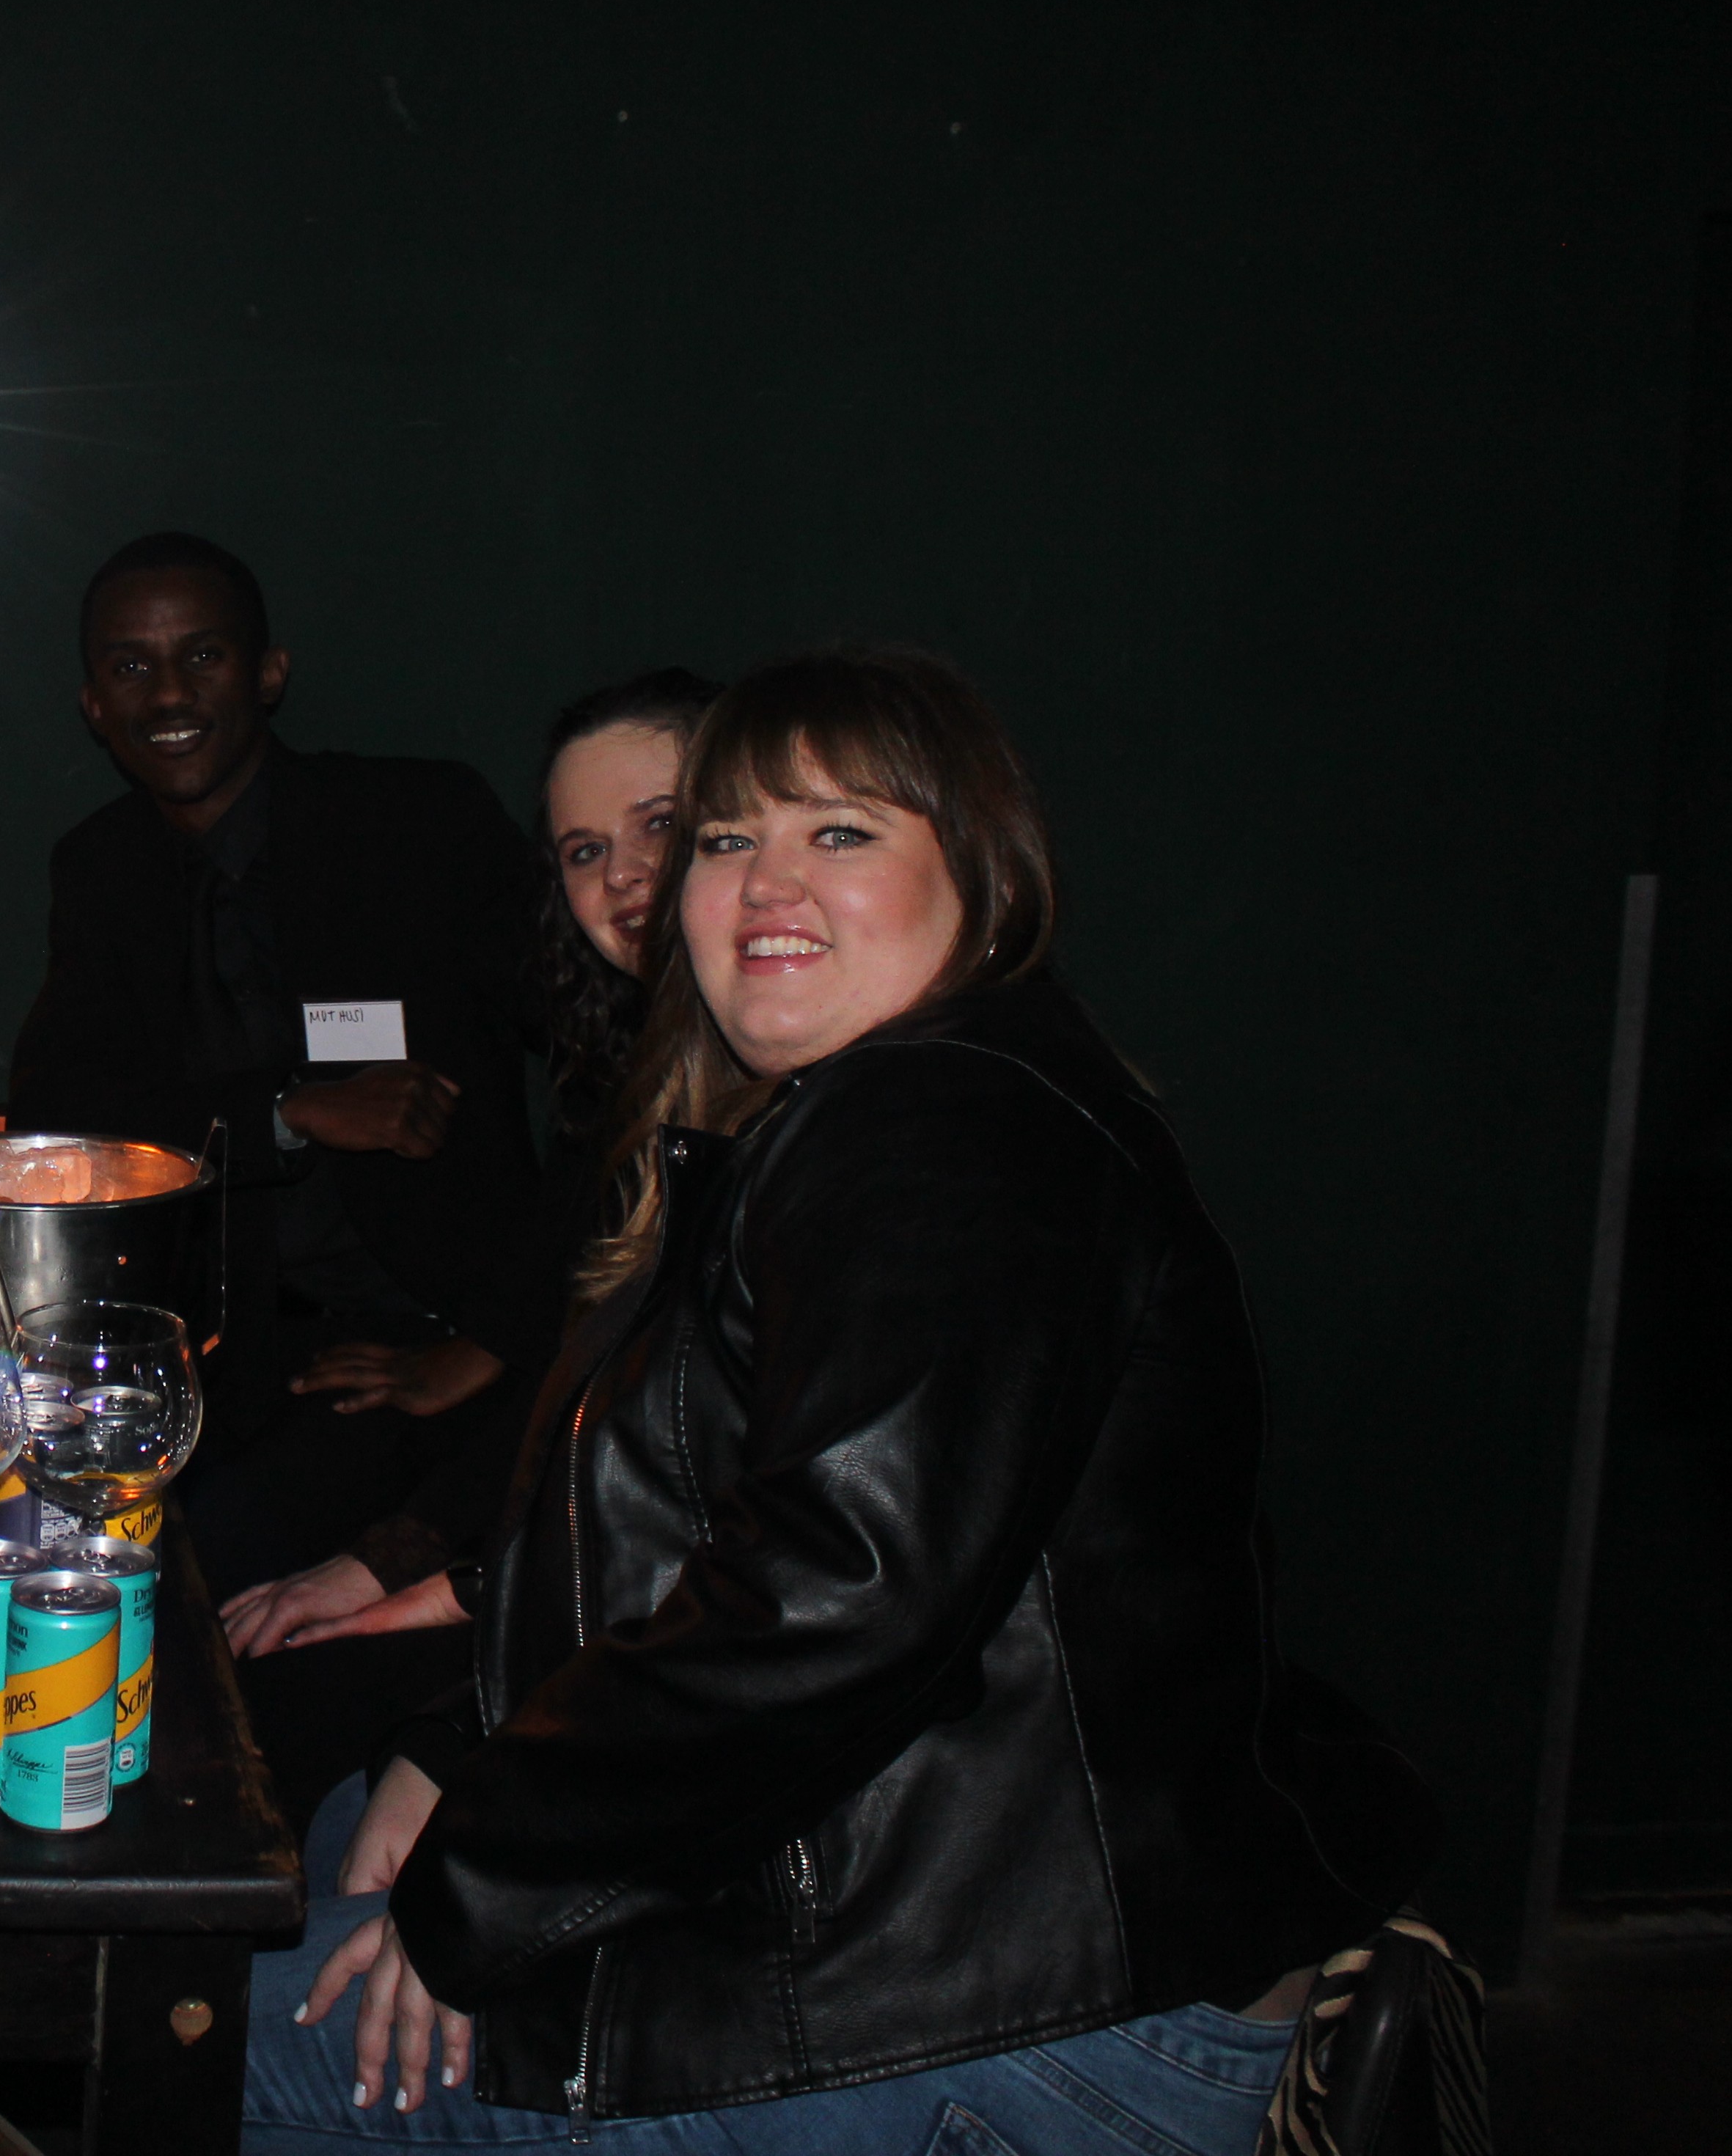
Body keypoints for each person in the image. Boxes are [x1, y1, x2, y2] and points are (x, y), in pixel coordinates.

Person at [245, 648, 1437, 2155]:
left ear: (983, 871)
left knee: (187, 2041)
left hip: (1023, 2030)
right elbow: (735, 1527)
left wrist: (481, 1884)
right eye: (731, 839)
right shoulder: (906, 1102)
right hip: (947, 1926)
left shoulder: (948, 1128)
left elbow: (831, 1598)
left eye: (844, 834)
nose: (765, 886)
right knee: (339, 1856)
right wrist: (467, 1745)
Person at [8, 532, 554, 1599]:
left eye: (203, 656)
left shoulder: (417, 825)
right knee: (41, 1545)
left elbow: (623, 1085)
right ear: (93, 707)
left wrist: (499, 1337)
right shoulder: (103, 868)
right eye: (131, 667)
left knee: (199, 1581)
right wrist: (289, 1111)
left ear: (268, 673)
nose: (170, 692)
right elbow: (61, 1112)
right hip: (232, 1360)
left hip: (442, 1344)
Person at [219, 670, 720, 1807]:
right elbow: (596, 1393)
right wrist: (402, 1566)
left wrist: (443, 1667)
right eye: (585, 850)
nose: (626, 874)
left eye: (663, 825)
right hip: (566, 1580)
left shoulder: (809, 1105)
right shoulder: (651, 1069)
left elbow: (696, 1513)